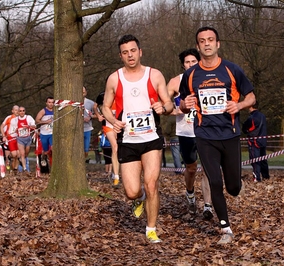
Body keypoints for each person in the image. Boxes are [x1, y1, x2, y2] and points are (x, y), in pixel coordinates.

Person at [179, 26, 256, 244]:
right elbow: (183, 104)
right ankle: (225, 228)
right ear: (198, 46)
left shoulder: (232, 70)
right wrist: (186, 104)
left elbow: (251, 97)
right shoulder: (190, 75)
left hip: (230, 133)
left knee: (233, 187)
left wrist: (239, 105)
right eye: (202, 41)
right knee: (214, 181)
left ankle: (233, 189)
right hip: (204, 135)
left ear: (218, 43)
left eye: (210, 39)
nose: (207, 43)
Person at [101, 34, 173, 243]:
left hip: (151, 138)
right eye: (125, 52)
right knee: (132, 191)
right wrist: (112, 119)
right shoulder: (114, 78)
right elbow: (105, 106)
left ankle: (151, 228)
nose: (130, 55)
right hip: (128, 139)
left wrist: (163, 107)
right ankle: (139, 199)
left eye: (133, 51)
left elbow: (168, 104)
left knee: (152, 184)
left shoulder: (155, 75)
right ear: (121, 56)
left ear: (140, 52)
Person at [167, 48, 213, 218]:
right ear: (183, 65)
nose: (191, 65)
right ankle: (190, 193)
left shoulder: (208, 77)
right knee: (191, 169)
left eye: (194, 61)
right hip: (186, 132)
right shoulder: (175, 82)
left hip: (205, 131)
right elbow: (163, 105)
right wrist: (177, 110)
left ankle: (208, 206)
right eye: (187, 62)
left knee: (208, 168)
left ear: (199, 61)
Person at [94, 91, 121, 188]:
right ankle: (116, 177)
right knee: (115, 147)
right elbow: (95, 106)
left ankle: (116, 172)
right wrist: (98, 116)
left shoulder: (120, 94)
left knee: (119, 149)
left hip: (118, 123)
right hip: (108, 125)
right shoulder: (102, 95)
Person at [242, 102, 270, 182]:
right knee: (263, 159)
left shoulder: (252, 118)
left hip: (254, 142)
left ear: (251, 106)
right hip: (263, 141)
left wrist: (246, 131)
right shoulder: (262, 116)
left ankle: (256, 177)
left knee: (255, 160)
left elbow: (246, 128)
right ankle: (266, 176)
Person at [9, 106, 36, 175]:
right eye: (20, 111)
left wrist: (28, 126)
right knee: (22, 154)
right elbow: (12, 130)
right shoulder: (15, 120)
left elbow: (34, 126)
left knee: (26, 153)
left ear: (25, 111)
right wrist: (15, 130)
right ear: (18, 112)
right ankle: (25, 169)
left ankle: (21, 161)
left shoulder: (28, 118)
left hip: (28, 138)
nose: (22, 112)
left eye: (23, 111)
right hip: (20, 139)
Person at [35, 97, 54, 168]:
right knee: (45, 151)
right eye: (49, 102)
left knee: (53, 148)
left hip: (52, 133)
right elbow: (37, 120)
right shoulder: (43, 111)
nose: (51, 104)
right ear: (46, 103)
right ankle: (44, 156)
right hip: (44, 133)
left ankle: (53, 164)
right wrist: (45, 122)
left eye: (52, 102)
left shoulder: (56, 110)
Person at [0, 105, 19, 172]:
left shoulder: (20, 118)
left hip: (17, 138)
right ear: (12, 111)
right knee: (8, 156)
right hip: (9, 139)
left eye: (18, 110)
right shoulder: (9, 118)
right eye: (15, 110)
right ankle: (7, 170)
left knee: (17, 156)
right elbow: (1, 126)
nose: (17, 111)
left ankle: (15, 169)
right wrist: (4, 136)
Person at [83, 87, 97, 162]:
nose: (83, 93)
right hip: (77, 129)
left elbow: (98, 114)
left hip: (87, 128)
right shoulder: (74, 103)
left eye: (84, 92)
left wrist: (90, 117)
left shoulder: (90, 103)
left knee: (86, 150)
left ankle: (83, 161)